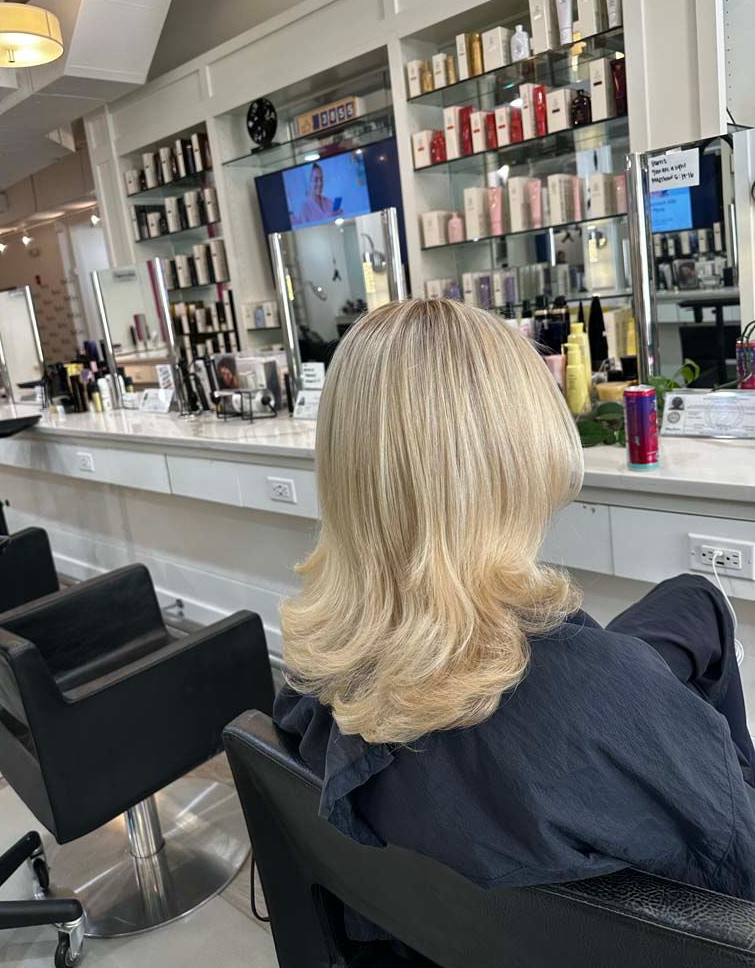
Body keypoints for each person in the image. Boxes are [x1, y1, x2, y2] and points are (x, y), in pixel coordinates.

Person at [275, 298, 755, 940]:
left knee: (695, 601)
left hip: (567, 704)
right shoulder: (602, 697)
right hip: (597, 728)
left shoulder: (317, 671)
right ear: (519, 457)